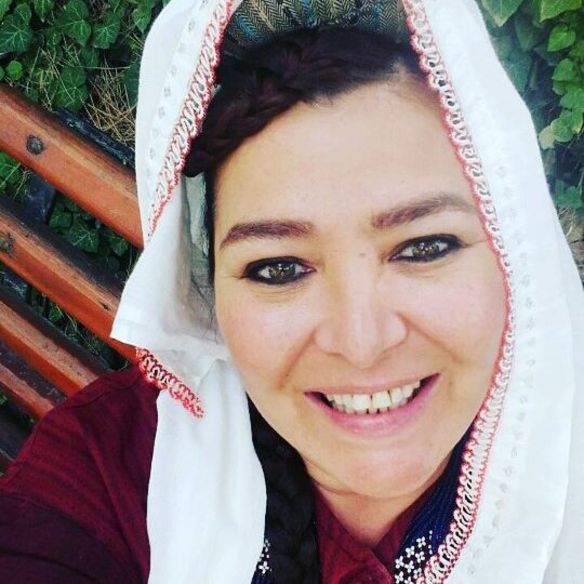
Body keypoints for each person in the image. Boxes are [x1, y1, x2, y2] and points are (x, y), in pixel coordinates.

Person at [0, 0, 582, 583]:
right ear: (208, 287)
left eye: (424, 247)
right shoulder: (106, 472)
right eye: (278, 268)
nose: (361, 344)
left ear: (513, 253)